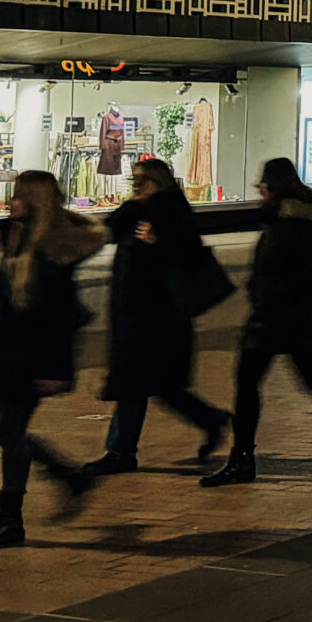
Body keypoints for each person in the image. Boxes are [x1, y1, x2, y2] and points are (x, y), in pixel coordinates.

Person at [202, 159, 312, 486]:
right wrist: (311, 292)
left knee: (248, 384)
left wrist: (281, 290)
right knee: (311, 379)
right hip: (299, 316)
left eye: (263, 182)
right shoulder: (305, 223)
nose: (258, 187)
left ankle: (242, 460)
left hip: (274, 318)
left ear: (274, 186)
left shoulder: (290, 225)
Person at [0, 170, 105, 551]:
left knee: (8, 432)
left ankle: (10, 516)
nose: (11, 201)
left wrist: (56, 369)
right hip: (4, 350)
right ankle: (66, 477)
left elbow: (64, 316)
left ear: (36, 201)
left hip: (29, 355)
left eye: (19, 196)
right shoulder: (16, 238)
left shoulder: (52, 253)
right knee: (1, 431)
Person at [84, 159, 230, 477]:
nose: (137, 184)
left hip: (157, 312)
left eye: (143, 179)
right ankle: (210, 418)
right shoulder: (140, 207)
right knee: (157, 383)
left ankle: (121, 451)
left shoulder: (172, 208)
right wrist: (135, 203)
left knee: (135, 382)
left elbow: (187, 252)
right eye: (134, 179)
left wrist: (159, 241)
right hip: (134, 308)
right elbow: (109, 231)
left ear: (158, 180)